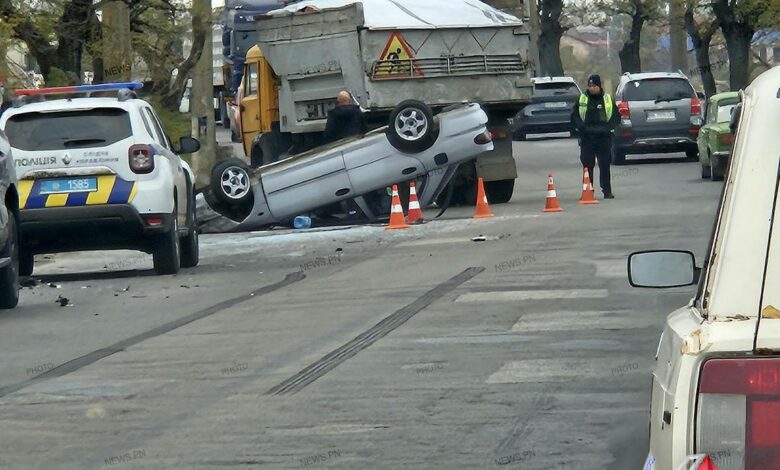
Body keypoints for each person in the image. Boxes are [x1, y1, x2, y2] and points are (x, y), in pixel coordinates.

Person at [571, 74, 620, 199]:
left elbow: (615, 117)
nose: (592, 88)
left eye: (594, 86)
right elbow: (575, 116)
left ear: (599, 86)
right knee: (587, 166)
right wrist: (582, 128)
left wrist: (607, 129)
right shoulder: (582, 98)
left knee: (604, 165)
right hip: (587, 137)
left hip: (603, 138)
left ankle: (607, 191)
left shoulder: (607, 99)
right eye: (590, 86)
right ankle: (588, 191)